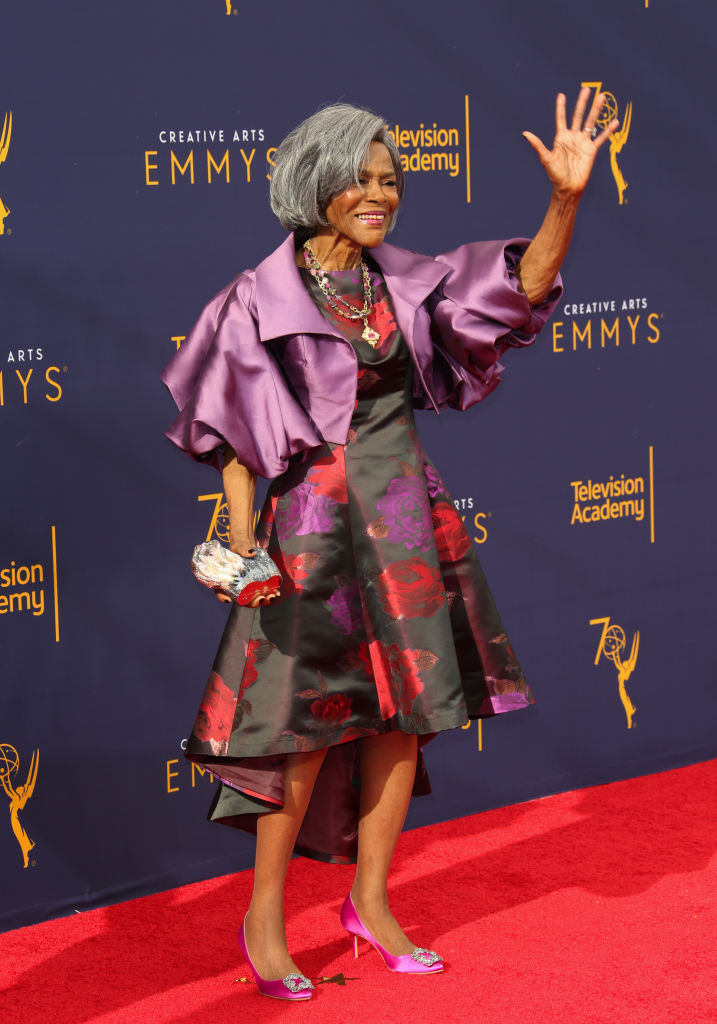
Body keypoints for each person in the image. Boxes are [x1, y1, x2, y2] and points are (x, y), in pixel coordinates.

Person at [161, 89, 617, 1001]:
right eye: (360, 180)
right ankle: (264, 921)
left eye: (390, 180)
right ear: (315, 183)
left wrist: (564, 201)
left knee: (407, 716)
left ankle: (370, 903)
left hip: (405, 514)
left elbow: (517, 294)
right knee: (295, 731)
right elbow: (237, 445)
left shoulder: (404, 283)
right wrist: (245, 551)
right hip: (309, 532)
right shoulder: (255, 297)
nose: (380, 195)